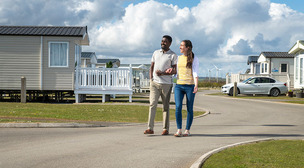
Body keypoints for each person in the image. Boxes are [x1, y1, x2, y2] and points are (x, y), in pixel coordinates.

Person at [144, 35, 177, 135]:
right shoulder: (155, 53)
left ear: (170, 43)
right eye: (162, 41)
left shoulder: (173, 55)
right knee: (152, 104)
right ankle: (150, 128)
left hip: (166, 84)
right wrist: (151, 79)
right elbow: (152, 67)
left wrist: (163, 73)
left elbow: (175, 71)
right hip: (154, 83)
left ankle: (165, 129)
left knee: (165, 107)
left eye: (165, 42)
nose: (163, 43)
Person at [173, 40, 199, 137]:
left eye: (182, 45)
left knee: (189, 108)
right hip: (178, 86)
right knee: (178, 107)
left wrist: (196, 85)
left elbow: (195, 72)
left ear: (187, 47)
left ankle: (187, 130)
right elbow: (177, 72)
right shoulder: (178, 58)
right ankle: (179, 129)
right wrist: (173, 81)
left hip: (190, 86)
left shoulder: (194, 58)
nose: (180, 47)